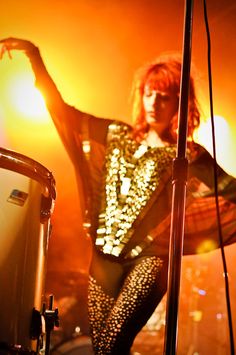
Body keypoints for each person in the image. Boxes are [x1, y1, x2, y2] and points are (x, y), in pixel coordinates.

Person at [1, 37, 236, 355]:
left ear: (179, 104)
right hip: (102, 261)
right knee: (104, 351)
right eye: (149, 94)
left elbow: (231, 189)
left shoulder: (188, 154)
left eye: (164, 97)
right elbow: (61, 111)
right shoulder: (115, 133)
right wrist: (35, 57)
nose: (154, 102)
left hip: (150, 261)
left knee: (112, 345)